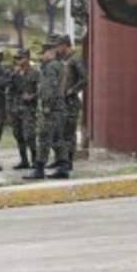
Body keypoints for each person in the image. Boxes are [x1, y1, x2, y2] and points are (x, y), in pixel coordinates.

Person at [25, 41, 69, 180]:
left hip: (50, 108)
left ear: (50, 52)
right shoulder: (60, 65)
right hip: (59, 106)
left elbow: (49, 89)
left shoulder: (50, 67)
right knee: (58, 138)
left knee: (44, 138)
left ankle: (39, 169)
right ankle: (63, 167)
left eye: (43, 53)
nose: (42, 56)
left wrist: (46, 106)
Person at [57, 35, 87, 173]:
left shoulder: (75, 59)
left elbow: (85, 78)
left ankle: (69, 161)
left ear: (65, 45)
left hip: (71, 102)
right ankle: (62, 160)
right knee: (61, 132)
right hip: (61, 102)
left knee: (69, 133)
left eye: (59, 46)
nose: (57, 49)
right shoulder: (63, 60)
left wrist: (72, 90)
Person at [7, 49, 39, 169]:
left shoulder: (35, 73)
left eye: (20, 58)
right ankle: (24, 160)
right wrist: (9, 109)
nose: (18, 61)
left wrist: (32, 96)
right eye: (17, 59)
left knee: (29, 135)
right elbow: (9, 91)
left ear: (27, 58)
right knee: (18, 135)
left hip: (28, 109)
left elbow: (41, 90)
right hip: (16, 109)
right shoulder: (14, 74)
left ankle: (35, 160)